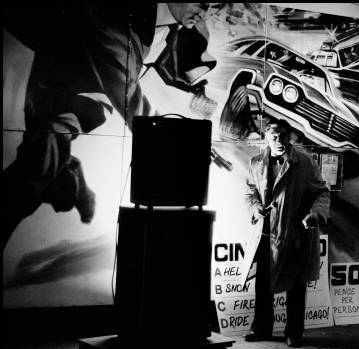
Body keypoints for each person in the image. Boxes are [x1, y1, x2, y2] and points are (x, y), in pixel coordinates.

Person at [2, 3, 215, 249]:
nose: (203, 12)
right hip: (67, 94)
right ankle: (67, 181)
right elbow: (129, 97)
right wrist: (177, 142)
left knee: (38, 167)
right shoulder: (119, 20)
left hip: (73, 96)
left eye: (209, 5)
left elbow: (180, 71)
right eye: (200, 3)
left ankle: (66, 179)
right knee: (31, 176)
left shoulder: (178, 28)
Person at [244, 118, 330, 347]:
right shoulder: (256, 162)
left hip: (294, 233)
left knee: (296, 284)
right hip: (265, 233)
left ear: (289, 136)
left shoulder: (304, 161)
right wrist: (255, 208)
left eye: (283, 136)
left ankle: (294, 332)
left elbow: (322, 193)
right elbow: (251, 191)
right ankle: (261, 328)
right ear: (266, 137)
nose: (279, 140)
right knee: (262, 283)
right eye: (274, 136)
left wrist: (315, 214)